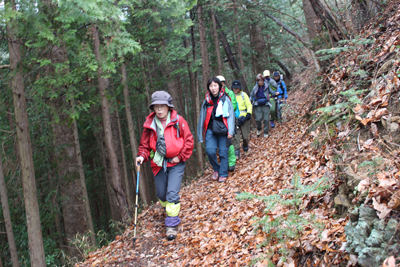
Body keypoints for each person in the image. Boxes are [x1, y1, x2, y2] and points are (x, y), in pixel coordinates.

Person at [136, 91, 194, 241]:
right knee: (162, 194)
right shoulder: (150, 125)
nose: (159, 110)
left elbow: (188, 141)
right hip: (158, 163)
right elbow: (144, 145)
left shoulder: (178, 121)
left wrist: (179, 157)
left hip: (176, 163)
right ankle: (168, 209)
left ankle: (171, 225)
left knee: (172, 194)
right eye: (156, 107)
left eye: (162, 107)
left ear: (168, 107)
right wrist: (142, 156)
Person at [197, 77, 235, 183]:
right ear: (208, 87)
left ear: (219, 86)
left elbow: (231, 116)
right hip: (210, 130)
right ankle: (216, 169)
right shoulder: (207, 101)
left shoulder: (225, 99)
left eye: (215, 85)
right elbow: (202, 118)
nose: (213, 88)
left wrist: (230, 132)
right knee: (210, 151)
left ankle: (223, 173)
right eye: (211, 86)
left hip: (223, 130)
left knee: (223, 152)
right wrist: (200, 134)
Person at [216, 75, 237, 171]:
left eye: (222, 83)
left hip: (228, 120)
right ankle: (226, 163)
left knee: (229, 142)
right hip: (218, 123)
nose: (221, 85)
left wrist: (227, 111)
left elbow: (233, 105)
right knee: (221, 145)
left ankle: (232, 163)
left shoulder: (230, 93)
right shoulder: (215, 95)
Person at [231, 80, 252, 157]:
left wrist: (248, 114)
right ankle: (237, 153)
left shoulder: (244, 95)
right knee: (235, 137)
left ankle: (245, 147)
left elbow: (249, 105)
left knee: (245, 136)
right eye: (234, 88)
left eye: (237, 88)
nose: (235, 90)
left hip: (243, 117)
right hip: (234, 118)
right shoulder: (230, 95)